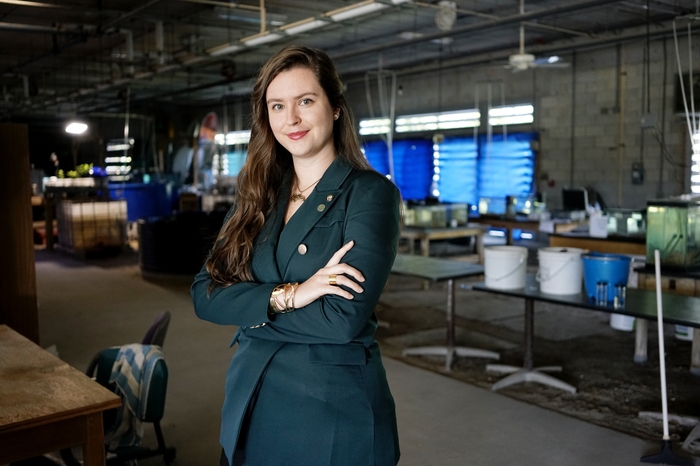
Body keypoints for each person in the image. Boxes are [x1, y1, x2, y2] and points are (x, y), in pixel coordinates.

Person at [191, 45, 401, 466]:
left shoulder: (369, 194)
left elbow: (341, 321)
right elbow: (204, 294)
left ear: (336, 107)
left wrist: (249, 310)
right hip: (252, 394)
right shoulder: (258, 195)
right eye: (277, 106)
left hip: (329, 408)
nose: (292, 119)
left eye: (306, 101)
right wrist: (290, 295)